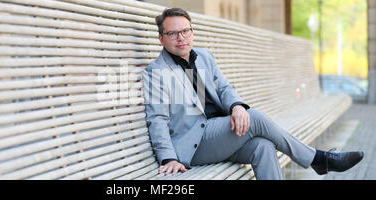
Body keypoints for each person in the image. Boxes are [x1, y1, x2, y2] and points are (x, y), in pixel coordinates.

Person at [141, 8, 364, 180]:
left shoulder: (204, 57)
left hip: (220, 135)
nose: (181, 37)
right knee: (254, 118)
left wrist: (237, 106)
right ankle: (317, 158)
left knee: (263, 147)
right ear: (161, 39)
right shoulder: (157, 72)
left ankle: (317, 160)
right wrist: (168, 157)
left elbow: (224, 88)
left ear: (192, 32)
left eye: (185, 31)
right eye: (172, 33)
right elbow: (157, 119)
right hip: (193, 144)